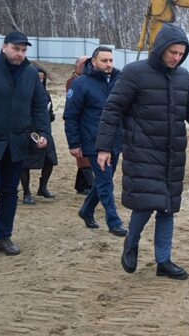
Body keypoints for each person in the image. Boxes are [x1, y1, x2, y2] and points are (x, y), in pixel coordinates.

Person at [96, 23, 189, 280]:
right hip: (142, 150)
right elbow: (112, 109)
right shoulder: (134, 73)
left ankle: (164, 261)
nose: (176, 57)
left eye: (180, 53)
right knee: (145, 205)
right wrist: (104, 147)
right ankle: (131, 243)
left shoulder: (182, 76)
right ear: (160, 48)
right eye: (172, 52)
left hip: (173, 152)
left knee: (168, 207)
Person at [0, 31, 50, 255]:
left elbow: (39, 105)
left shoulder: (31, 74)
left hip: (16, 140)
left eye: (24, 50)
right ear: (4, 47)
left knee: (9, 190)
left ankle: (3, 237)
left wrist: (43, 131)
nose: (20, 54)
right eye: (16, 49)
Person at [63, 47, 127, 237]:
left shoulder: (119, 81)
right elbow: (71, 116)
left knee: (103, 181)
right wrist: (74, 143)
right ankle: (114, 222)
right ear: (93, 62)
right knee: (105, 182)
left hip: (115, 140)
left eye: (110, 60)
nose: (108, 64)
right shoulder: (80, 84)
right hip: (93, 142)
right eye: (104, 61)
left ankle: (86, 210)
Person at [20, 66, 58, 204]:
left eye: (42, 78)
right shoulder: (22, 94)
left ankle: (43, 188)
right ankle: (26, 193)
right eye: (38, 77)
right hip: (27, 131)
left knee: (50, 160)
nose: (40, 80)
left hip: (44, 131)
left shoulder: (45, 94)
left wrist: (50, 116)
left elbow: (49, 112)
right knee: (25, 163)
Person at [67, 56, 94, 195]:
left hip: (87, 123)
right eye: (83, 63)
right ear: (77, 65)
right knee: (83, 158)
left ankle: (81, 185)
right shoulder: (73, 82)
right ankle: (91, 185)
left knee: (85, 156)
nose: (85, 65)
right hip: (80, 122)